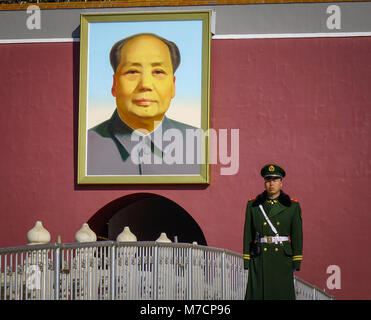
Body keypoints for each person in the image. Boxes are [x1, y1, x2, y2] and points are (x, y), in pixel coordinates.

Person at [87, 33, 201, 175]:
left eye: (158, 72)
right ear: (114, 85)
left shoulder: (202, 146)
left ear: (173, 86)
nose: (145, 85)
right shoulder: (84, 147)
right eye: (133, 71)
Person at [243, 164, 303, 300]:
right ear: (265, 183)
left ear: (281, 183)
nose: (271, 184)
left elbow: (297, 236)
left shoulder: (292, 206)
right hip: (260, 258)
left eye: (275, 180)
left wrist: (296, 261)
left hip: (282, 258)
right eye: (268, 180)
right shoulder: (253, 205)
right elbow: (248, 234)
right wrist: (247, 259)